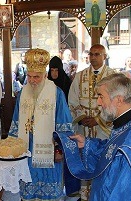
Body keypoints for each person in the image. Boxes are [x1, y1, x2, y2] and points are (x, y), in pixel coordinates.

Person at [59, 73, 131, 200]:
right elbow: (112, 152)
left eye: (101, 96)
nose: (98, 103)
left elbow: (128, 193)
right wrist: (87, 144)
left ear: (118, 100)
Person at [8, 48, 78, 200]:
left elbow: (64, 123)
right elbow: (16, 122)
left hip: (50, 152)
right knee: (29, 191)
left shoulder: (56, 93)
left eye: (37, 77)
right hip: (27, 150)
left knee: (49, 193)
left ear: (45, 75)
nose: (32, 81)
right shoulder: (22, 94)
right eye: (30, 76)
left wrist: (60, 149)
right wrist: (12, 147)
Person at [68, 44, 115, 200]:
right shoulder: (80, 76)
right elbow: (73, 100)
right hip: (84, 129)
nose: (93, 57)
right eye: (91, 54)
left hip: (103, 130)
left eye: (97, 54)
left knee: (103, 160)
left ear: (104, 56)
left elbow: (117, 104)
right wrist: (82, 117)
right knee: (85, 160)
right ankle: (86, 196)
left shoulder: (113, 77)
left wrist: (98, 119)